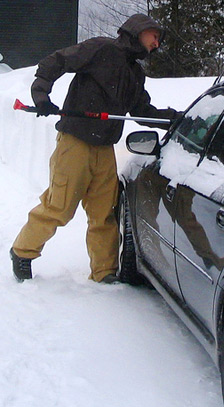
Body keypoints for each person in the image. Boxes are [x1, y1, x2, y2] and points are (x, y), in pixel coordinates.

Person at [10, 14, 180, 284]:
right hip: (75, 141)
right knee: (60, 207)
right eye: (154, 36)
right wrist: (41, 95)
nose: (156, 43)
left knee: (104, 213)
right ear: (139, 30)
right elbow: (57, 61)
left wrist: (174, 118)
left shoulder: (136, 74)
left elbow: (141, 111)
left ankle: (104, 272)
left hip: (105, 148)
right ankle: (22, 251)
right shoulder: (101, 49)